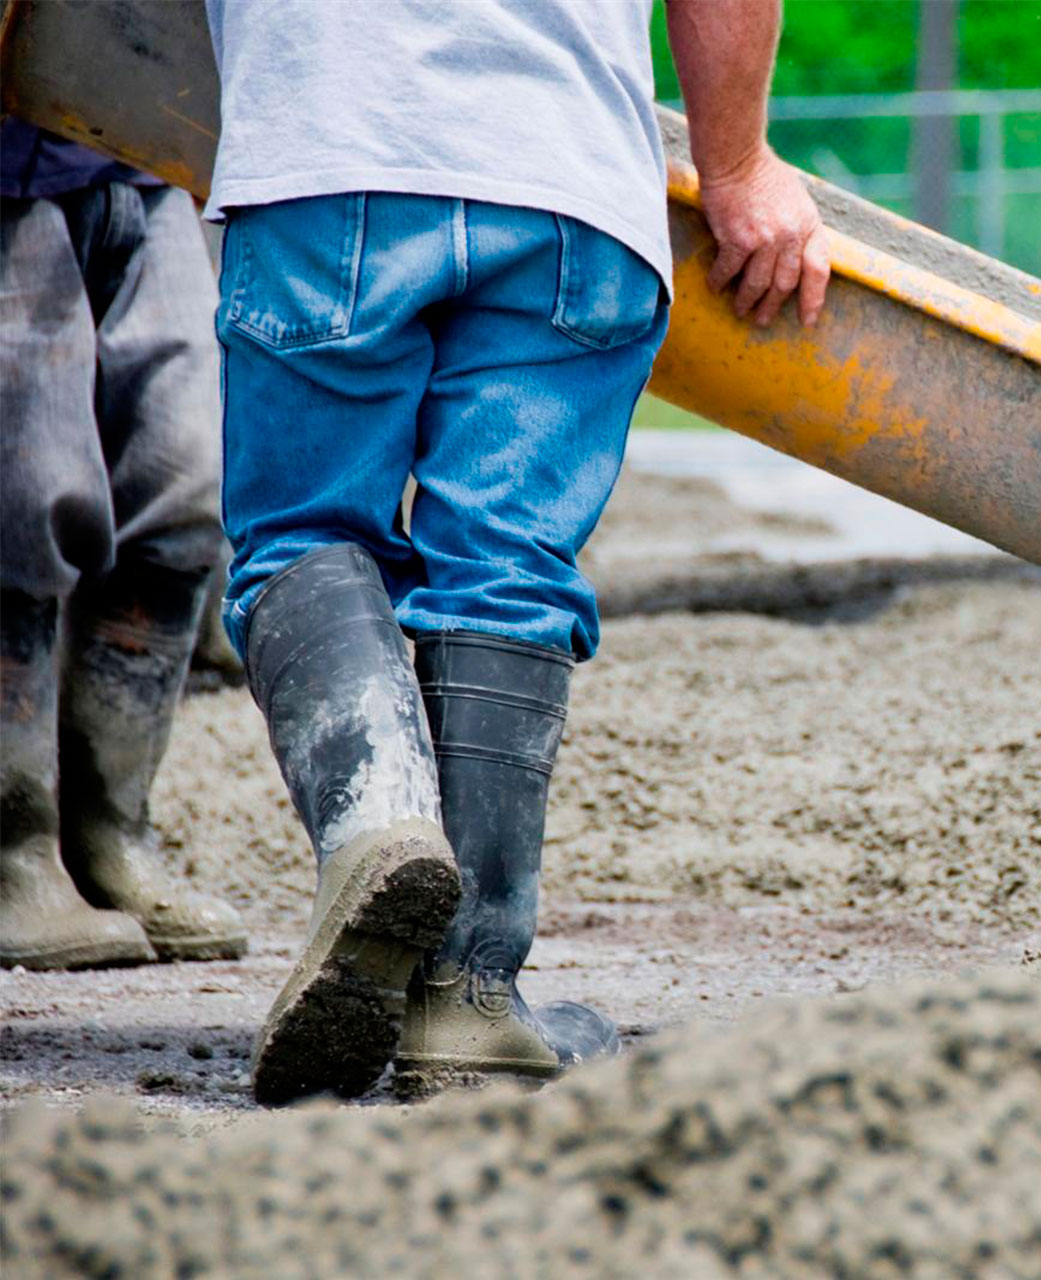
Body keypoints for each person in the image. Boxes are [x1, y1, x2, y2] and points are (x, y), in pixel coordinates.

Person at [202, 0, 830, 1104]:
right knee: (504, 567)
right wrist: (738, 168)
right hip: (567, 178)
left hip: (330, 147)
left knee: (306, 532)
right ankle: (469, 994)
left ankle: (380, 826)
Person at [0, 120, 248, 971]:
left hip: (140, 155)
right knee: (22, 493)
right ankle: (14, 851)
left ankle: (110, 836)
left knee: (187, 482)